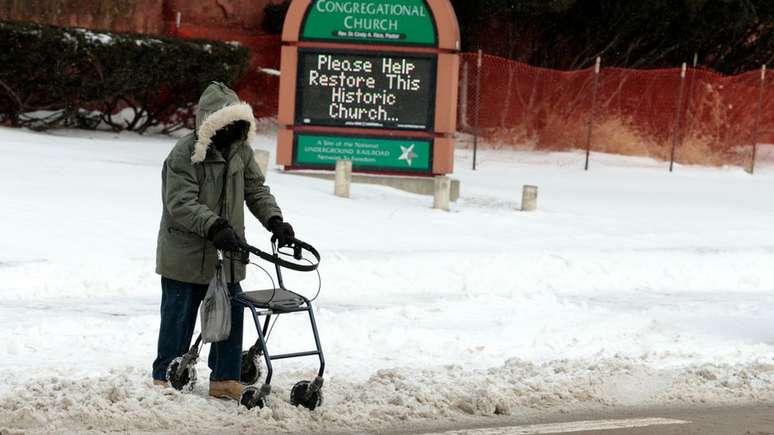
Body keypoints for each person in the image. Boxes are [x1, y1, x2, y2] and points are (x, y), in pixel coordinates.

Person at [151, 82, 296, 400]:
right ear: (210, 123)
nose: (232, 129)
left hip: (227, 251)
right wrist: (214, 226)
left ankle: (225, 378)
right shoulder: (185, 154)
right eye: (225, 123)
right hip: (185, 253)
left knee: (232, 310)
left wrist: (275, 221)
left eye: (237, 123)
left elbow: (256, 190)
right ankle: (165, 377)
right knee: (179, 315)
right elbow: (181, 203)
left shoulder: (241, 152)